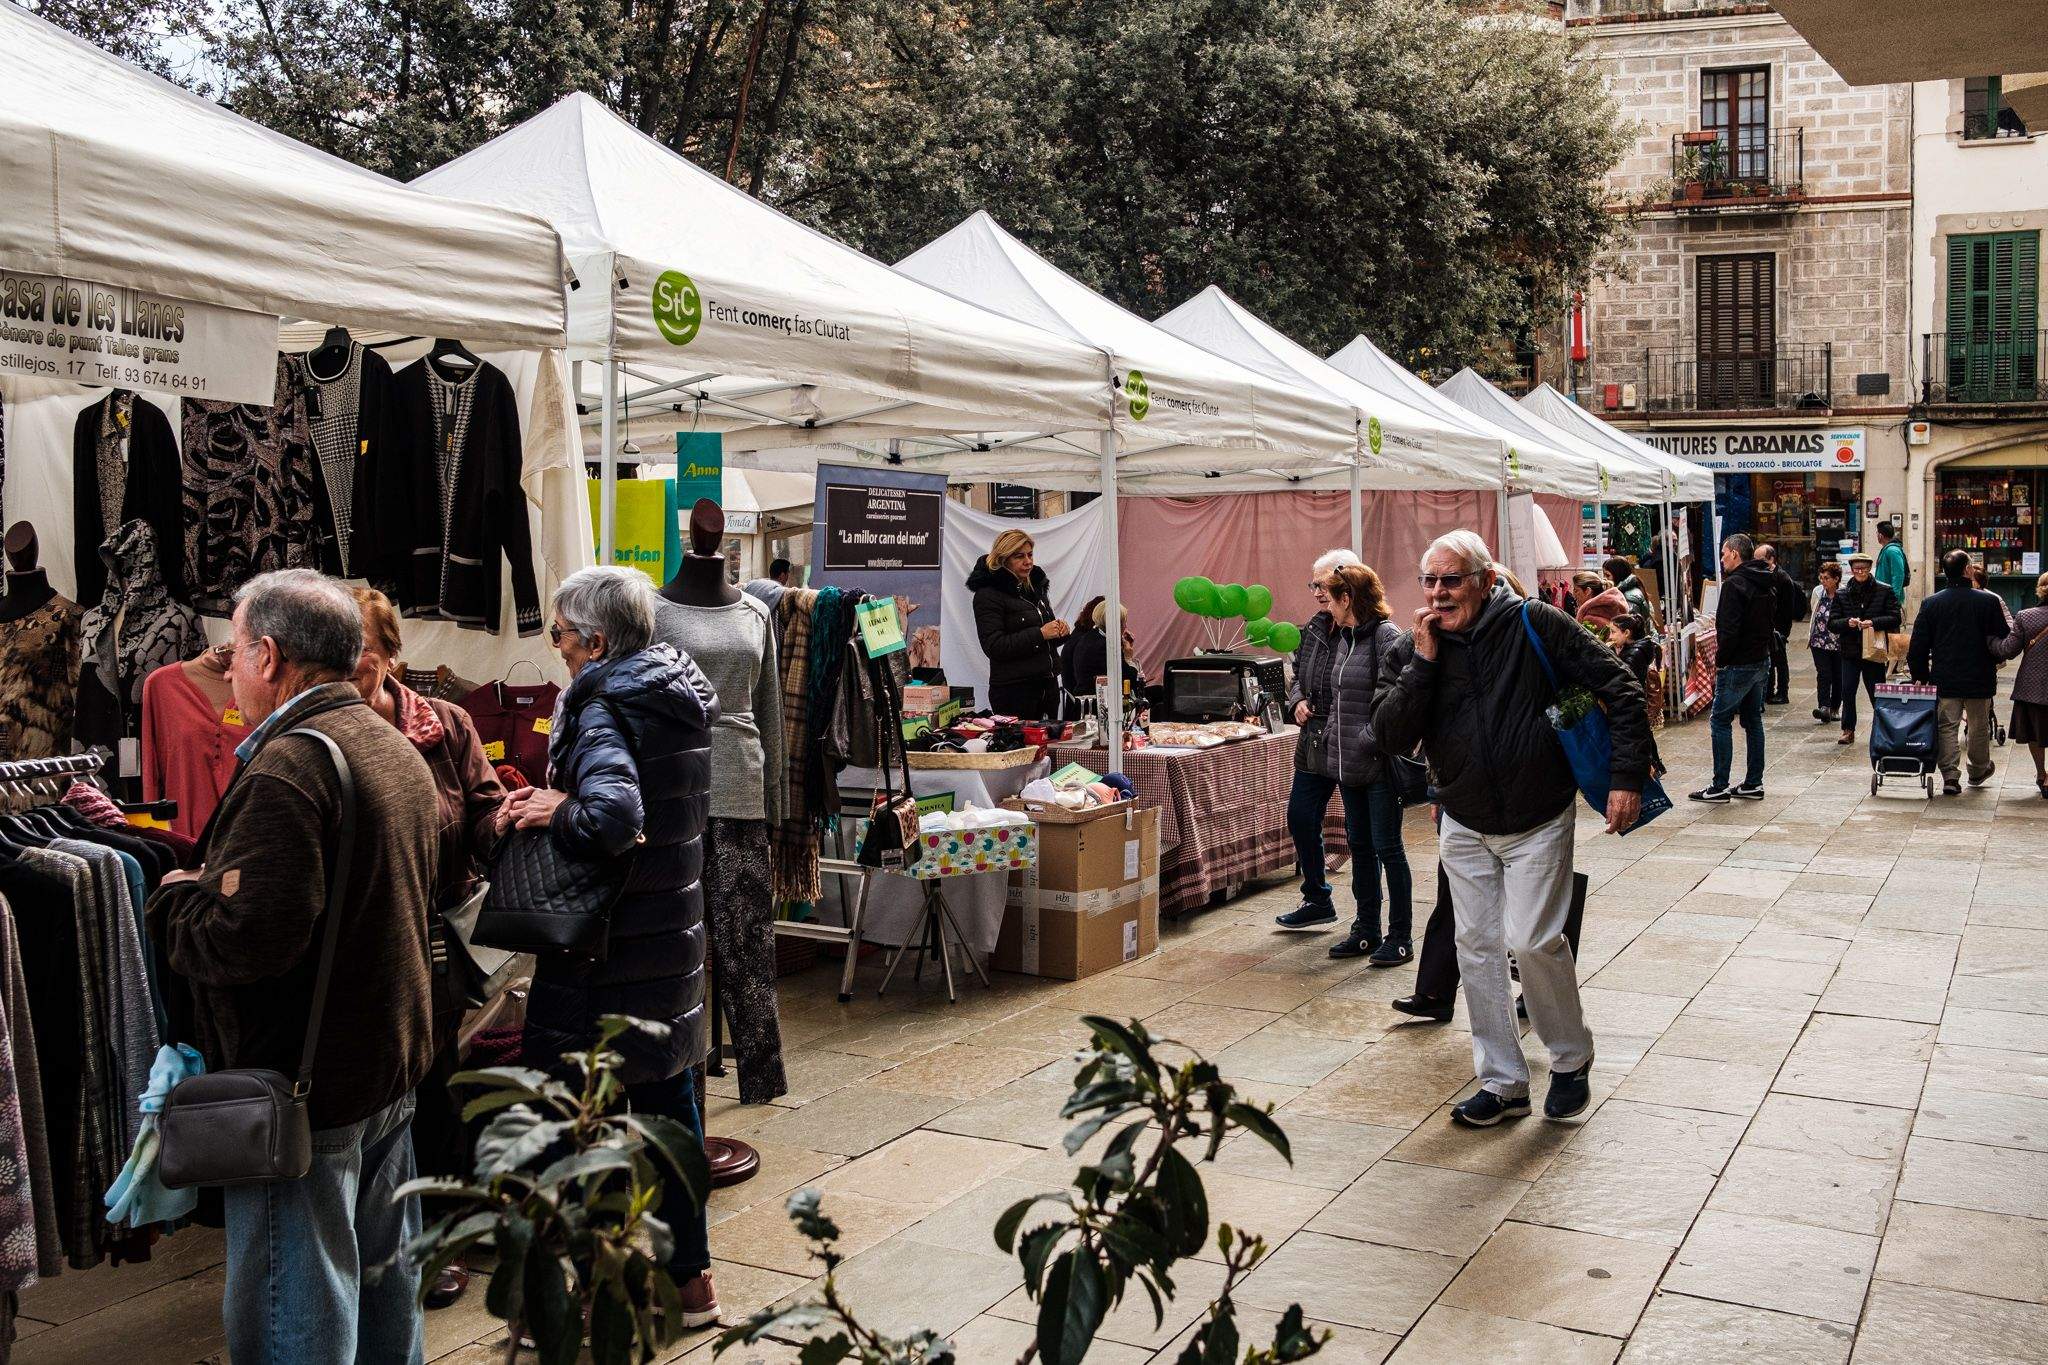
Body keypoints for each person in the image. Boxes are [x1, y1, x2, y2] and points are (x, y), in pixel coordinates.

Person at [150, 570, 440, 1364]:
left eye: (234, 651)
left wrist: (175, 900)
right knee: (385, 1305)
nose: (230, 671)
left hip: (309, 1092)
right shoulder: (390, 743)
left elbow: (246, 939)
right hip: (384, 1068)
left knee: (296, 1326)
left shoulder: (290, 768)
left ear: (269, 655)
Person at [500, 566, 721, 1326]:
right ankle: (691, 1282)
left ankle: (596, 1289)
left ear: (596, 643)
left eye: (560, 633)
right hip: (669, 939)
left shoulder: (600, 706)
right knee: (669, 1111)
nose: (556, 647)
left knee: (584, 1119)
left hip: (608, 952)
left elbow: (614, 818)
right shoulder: (673, 692)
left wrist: (557, 807)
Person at [1374, 531, 1649, 1128]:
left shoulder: (1535, 623)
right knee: (1475, 947)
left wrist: (1626, 776)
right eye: (1429, 581)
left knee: (1531, 941)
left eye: (1452, 580)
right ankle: (1503, 1083)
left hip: (1537, 814)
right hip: (1463, 818)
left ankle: (1570, 1058)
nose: (1438, 593)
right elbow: (1389, 733)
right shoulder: (1418, 646)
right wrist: (1423, 663)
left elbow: (1620, 687)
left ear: (1486, 581)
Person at [349, 587, 505, 1308]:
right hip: (361, 936)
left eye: (364, 652)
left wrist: (509, 821)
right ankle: (373, 1233)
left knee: (434, 1081)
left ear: (392, 655)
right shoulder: (326, 729)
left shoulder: (445, 724)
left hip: (435, 933)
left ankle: (439, 1233)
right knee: (374, 1086)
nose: (352, 666)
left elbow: (482, 810)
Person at [1276, 563, 1413, 963]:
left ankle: (1400, 936)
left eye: (1330, 595)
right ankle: (1366, 930)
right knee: (1360, 847)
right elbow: (1335, 697)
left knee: (1388, 849)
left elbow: (1401, 697)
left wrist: (1369, 738)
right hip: (1347, 764)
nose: (1325, 603)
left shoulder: (1386, 636)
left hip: (1378, 765)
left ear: (1348, 598)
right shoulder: (1345, 638)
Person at [1908, 550, 2011, 794]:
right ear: (1967, 570)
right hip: (1979, 675)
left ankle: (1950, 776)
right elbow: (2003, 637)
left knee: (1947, 725)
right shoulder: (1987, 601)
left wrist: (1920, 675)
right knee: (1978, 726)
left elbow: (1918, 645)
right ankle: (1978, 769)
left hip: (1946, 676)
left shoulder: (1932, 603)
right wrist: (1996, 658)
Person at [1691, 534, 1776, 802]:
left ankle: (1719, 786)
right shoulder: (1764, 579)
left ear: (1735, 554)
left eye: (1724, 554)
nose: (1722, 559)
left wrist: (1722, 661)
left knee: (1720, 720)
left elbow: (1728, 630)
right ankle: (1753, 783)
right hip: (1760, 659)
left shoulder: (1734, 584)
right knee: (1753, 720)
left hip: (1738, 663)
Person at [968, 528, 1068, 717]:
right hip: (1014, 692)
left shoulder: (1035, 588)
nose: (1028, 561)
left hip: (1048, 687)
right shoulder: (988, 595)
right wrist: (1040, 634)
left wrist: (1060, 630)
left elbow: (1045, 635)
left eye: (1030, 555)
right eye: (1019, 556)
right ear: (1003, 559)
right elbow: (994, 646)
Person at [1831, 548, 1903, 745]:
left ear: (1870, 568)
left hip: (1874, 649)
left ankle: (1883, 728)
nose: (1860, 572)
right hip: (1850, 649)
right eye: (1856, 569)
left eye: (1863, 568)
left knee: (1877, 691)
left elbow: (1895, 617)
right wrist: (1848, 623)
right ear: (1851, 569)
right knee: (1848, 691)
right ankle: (1848, 729)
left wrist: (1873, 623)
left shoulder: (1884, 590)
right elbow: (1833, 623)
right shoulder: (1842, 593)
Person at [1993, 572, 2048, 799]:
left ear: (2039, 589)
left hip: (2033, 685)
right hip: (2035, 685)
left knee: (2036, 732)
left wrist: (1990, 641)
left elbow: (2008, 650)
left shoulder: (2026, 616)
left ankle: (2041, 774)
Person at [1061, 597, 1146, 702]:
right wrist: (1128, 658)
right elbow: (1129, 680)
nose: (1126, 626)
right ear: (1116, 624)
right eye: (1124, 622)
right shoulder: (1106, 646)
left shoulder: (1089, 637)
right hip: (1096, 703)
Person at [1756, 543, 1807, 706]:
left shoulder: (1782, 578)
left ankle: (1782, 692)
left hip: (1779, 627)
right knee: (1770, 659)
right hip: (1768, 625)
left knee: (1780, 660)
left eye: (1761, 559)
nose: (1757, 562)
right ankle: (1769, 691)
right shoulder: (1764, 575)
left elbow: (1787, 609)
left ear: (1771, 559)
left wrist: (1781, 631)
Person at [1809, 561, 1843, 724]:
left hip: (1838, 642)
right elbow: (1814, 612)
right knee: (1824, 674)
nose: (1823, 581)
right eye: (1821, 577)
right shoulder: (1818, 592)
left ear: (1836, 579)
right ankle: (1824, 707)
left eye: (1826, 578)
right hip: (1819, 640)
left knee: (1838, 676)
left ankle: (1835, 707)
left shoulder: (1844, 593)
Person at [1569, 570, 1629, 635]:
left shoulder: (1590, 620)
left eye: (1576, 590)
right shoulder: (1611, 608)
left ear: (1588, 591)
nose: (1573, 595)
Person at [1604, 556, 1654, 628]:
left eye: (1607, 575)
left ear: (1618, 574)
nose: (1605, 579)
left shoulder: (1629, 597)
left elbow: (1630, 627)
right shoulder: (1630, 591)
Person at [1874, 519, 1909, 605]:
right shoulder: (1887, 549)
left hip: (1890, 600)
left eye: (1877, 533)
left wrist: (1893, 598)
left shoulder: (1892, 551)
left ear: (1880, 535)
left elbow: (1898, 575)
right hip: (1883, 597)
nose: (1876, 536)